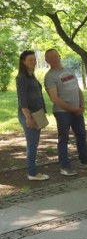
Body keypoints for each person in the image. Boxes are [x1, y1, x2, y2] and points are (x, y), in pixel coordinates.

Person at [43, 49, 87, 175]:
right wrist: (72, 109)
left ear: (59, 56)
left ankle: (84, 161)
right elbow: (55, 98)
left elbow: (77, 89)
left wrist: (82, 105)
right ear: (47, 61)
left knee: (81, 135)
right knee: (64, 138)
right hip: (62, 112)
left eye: (55, 56)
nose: (54, 59)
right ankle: (64, 166)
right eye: (50, 58)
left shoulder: (69, 70)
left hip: (77, 110)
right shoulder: (50, 76)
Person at [17, 51, 50, 181]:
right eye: (30, 60)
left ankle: (33, 171)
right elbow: (22, 100)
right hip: (28, 115)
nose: (34, 62)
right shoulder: (22, 78)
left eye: (34, 59)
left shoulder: (31, 76)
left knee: (34, 143)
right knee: (32, 144)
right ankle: (32, 173)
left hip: (36, 113)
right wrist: (28, 117)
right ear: (23, 62)